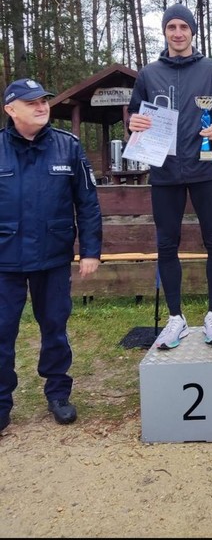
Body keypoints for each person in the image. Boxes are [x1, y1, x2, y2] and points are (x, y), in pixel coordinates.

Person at [128, 3, 212, 349]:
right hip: (164, 170)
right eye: (171, 27)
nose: (178, 33)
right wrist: (132, 123)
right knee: (166, 244)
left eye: (184, 27)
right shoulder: (148, 74)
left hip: (204, 168)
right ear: (165, 32)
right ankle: (176, 318)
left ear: (193, 31)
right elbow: (134, 116)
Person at [0, 78, 102, 431]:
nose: (42, 106)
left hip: (53, 257)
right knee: (1, 331)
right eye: (32, 103)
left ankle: (58, 393)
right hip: (5, 260)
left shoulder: (68, 147)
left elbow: (87, 204)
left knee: (55, 327)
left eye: (44, 100)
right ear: (11, 110)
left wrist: (91, 251)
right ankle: (1, 402)